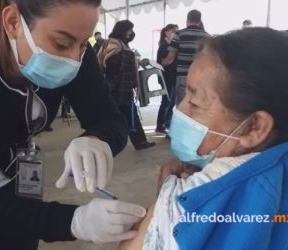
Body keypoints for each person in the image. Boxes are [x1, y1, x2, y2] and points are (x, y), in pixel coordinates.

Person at [0, 0, 147, 249]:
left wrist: (96, 139)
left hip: (19, 165)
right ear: (13, 22)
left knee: (23, 240)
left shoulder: (75, 48)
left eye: (83, 44)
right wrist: (74, 221)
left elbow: (109, 118)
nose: (74, 59)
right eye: (61, 44)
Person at [117, 27, 288, 250]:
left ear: (254, 128)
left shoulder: (183, 205)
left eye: (195, 103)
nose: (179, 109)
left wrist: (161, 208)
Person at [97, 20, 155, 151]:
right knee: (123, 113)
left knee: (127, 113)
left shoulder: (120, 43)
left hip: (120, 87)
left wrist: (136, 63)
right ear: (122, 30)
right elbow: (112, 61)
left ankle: (138, 141)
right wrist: (128, 56)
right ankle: (136, 141)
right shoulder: (113, 43)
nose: (131, 33)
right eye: (129, 30)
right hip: (118, 87)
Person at [162, 10, 209, 105]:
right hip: (200, 76)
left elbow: (171, 57)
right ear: (199, 21)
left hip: (182, 76)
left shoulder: (179, 34)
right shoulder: (207, 36)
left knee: (182, 105)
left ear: (187, 20)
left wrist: (165, 62)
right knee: (196, 105)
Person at [155, 24, 178, 135]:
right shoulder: (164, 45)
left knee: (172, 101)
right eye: (173, 31)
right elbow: (162, 62)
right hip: (166, 77)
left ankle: (167, 123)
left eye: (176, 31)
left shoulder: (173, 45)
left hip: (173, 77)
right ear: (166, 32)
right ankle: (160, 124)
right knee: (166, 101)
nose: (175, 33)